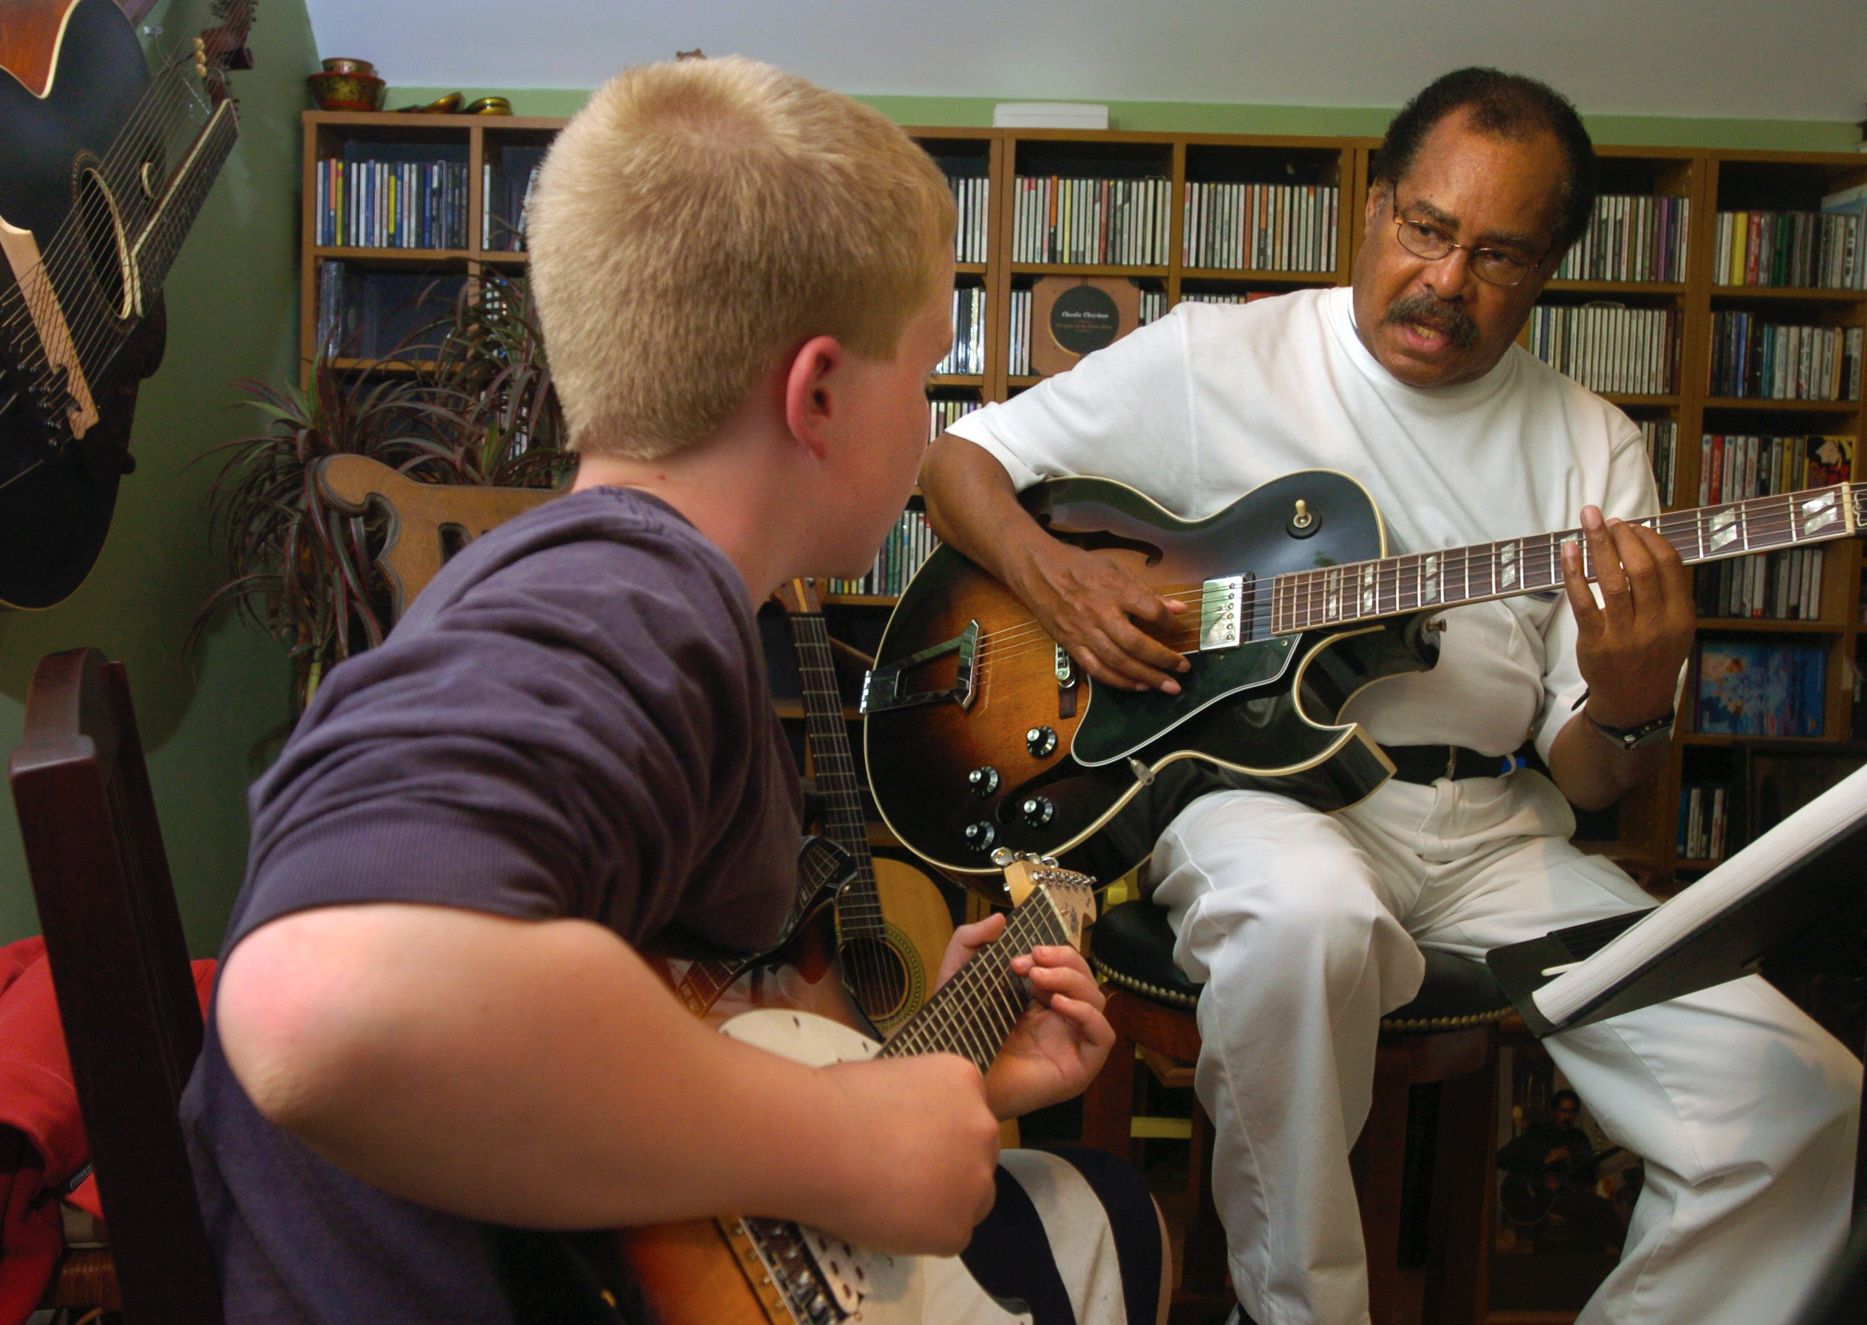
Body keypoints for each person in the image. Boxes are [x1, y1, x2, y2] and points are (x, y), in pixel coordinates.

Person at [183, 57, 1166, 1324]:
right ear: (818, 394)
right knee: (1115, 1227)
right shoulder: (629, 606)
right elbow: (324, 994)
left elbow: (674, 1054)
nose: (926, 429)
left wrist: (939, 1059)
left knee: (1086, 1208)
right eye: (921, 379)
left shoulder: (633, 591)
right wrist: (837, 1140)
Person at [920, 66, 1860, 1325]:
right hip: (1261, 802)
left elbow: (1588, 778)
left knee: (1804, 1100)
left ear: (1548, 272)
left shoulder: (1592, 445)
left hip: (1497, 839)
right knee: (1306, 919)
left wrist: (1631, 700)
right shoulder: (1217, 357)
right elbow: (958, 460)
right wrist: (1061, 579)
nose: (1446, 281)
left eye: (1500, 257)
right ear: (1374, 207)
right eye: (1425, 229)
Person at [1495, 1090, 1625, 1252]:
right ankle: (1632, 1253)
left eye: (1572, 1112)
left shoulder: (1579, 1138)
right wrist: (1546, 1159)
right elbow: (1501, 1158)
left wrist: (1585, 1177)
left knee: (1599, 1211)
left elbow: (1588, 1171)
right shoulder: (1538, 1134)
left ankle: (1598, 1263)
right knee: (1601, 1207)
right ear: (1554, 1111)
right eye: (1563, 1111)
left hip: (1568, 1196)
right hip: (1539, 1198)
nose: (1567, 1117)